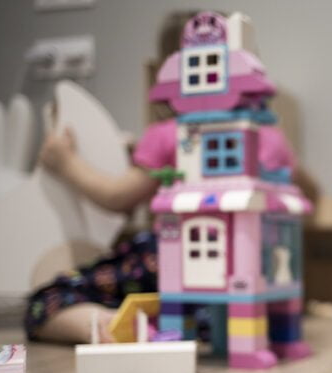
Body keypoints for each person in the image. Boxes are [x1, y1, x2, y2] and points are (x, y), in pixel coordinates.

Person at [26, 11, 317, 343]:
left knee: (44, 302)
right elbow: (312, 192)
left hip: (174, 260)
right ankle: (209, 326)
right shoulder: (271, 134)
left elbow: (116, 197)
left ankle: (106, 324)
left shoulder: (171, 134)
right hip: (257, 268)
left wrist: (66, 162)